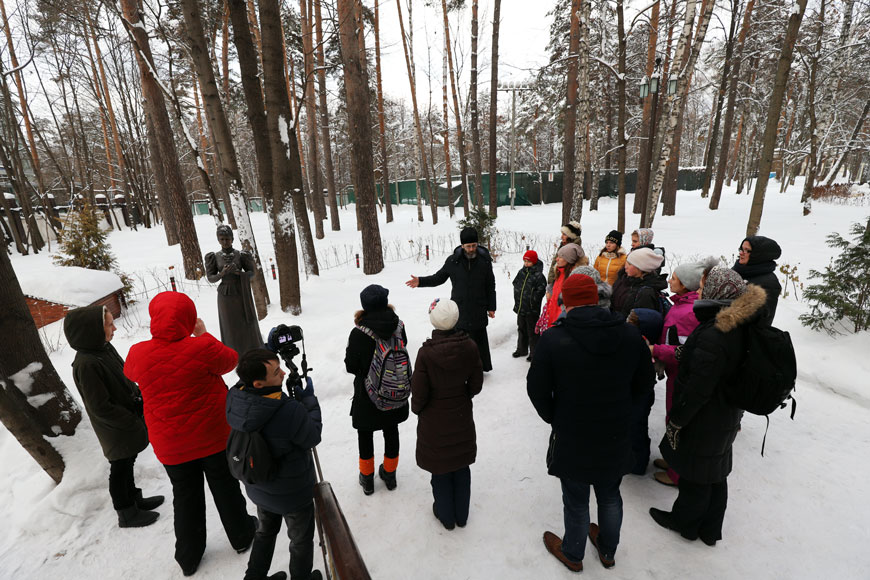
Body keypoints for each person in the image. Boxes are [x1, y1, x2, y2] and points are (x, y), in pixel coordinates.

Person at [527, 275, 655, 571]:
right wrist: (625, 412)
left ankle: (573, 553)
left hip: (573, 433)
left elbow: (536, 389)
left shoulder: (553, 340)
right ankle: (608, 550)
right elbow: (645, 382)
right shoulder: (628, 334)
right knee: (610, 494)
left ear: (566, 302)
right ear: (597, 299)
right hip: (615, 431)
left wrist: (555, 417)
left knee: (576, 498)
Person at [125, 292, 255, 576]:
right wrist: (203, 334)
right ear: (188, 317)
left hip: (171, 446)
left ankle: (188, 555)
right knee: (226, 487)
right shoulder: (202, 348)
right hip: (212, 439)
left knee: (185, 496)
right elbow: (231, 361)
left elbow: (129, 372)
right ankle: (242, 535)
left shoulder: (138, 353)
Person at [649, 267, 767, 546]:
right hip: (726, 411)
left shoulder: (718, 332)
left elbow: (698, 386)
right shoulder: (740, 322)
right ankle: (711, 529)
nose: (699, 292)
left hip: (706, 414)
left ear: (718, 292)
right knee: (715, 472)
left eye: (704, 287)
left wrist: (678, 421)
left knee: (695, 474)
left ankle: (685, 525)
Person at [63, 306, 164, 528]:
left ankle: (134, 500)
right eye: (109, 324)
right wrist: (131, 421)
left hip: (126, 421)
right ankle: (126, 513)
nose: (114, 328)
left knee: (129, 462)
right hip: (116, 428)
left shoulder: (103, 349)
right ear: (92, 331)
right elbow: (100, 407)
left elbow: (123, 376)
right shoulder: (87, 364)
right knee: (120, 468)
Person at [227, 349, 323, 580]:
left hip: (259, 486)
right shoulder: (289, 411)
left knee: (265, 532)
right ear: (259, 383)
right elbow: (312, 436)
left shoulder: (236, 398)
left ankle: (254, 577)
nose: (282, 374)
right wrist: (308, 402)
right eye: (275, 372)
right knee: (300, 540)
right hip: (292, 494)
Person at [412, 298, 484, 530]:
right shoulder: (469, 346)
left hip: (434, 421)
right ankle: (461, 515)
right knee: (461, 466)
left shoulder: (426, 354)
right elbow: (476, 384)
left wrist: (418, 409)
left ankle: (446, 516)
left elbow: (419, 392)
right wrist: (462, 395)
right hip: (461, 416)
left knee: (440, 469)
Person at [650, 258, 716, 487]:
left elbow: (685, 349)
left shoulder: (689, 312)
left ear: (686, 285)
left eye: (674, 279)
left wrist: (656, 350)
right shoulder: (681, 304)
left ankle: (676, 474)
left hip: (683, 376)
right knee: (672, 418)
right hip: (675, 373)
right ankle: (672, 460)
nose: (669, 280)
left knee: (677, 420)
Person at [344, 285, 409, 495]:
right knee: (391, 430)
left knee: (365, 434)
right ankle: (390, 475)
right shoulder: (398, 325)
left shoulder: (358, 332)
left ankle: (367, 479)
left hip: (368, 395)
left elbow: (351, 366)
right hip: (395, 389)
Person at [406, 227, 496, 371]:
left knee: (479, 340)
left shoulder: (484, 261)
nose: (472, 249)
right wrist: (421, 281)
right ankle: (463, 370)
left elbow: (490, 285)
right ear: (462, 246)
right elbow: (439, 277)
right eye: (468, 246)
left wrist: (492, 306)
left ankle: (480, 368)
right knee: (461, 341)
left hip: (479, 306)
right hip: (459, 308)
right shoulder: (453, 261)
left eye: (474, 245)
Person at [204, 225, 263, 356]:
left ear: (232, 238)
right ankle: (232, 351)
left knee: (245, 321)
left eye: (228, 239)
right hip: (225, 295)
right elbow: (211, 278)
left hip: (241, 292)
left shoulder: (241, 255)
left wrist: (238, 272)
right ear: (218, 240)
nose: (225, 242)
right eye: (222, 239)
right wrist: (222, 273)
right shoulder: (214, 257)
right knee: (229, 323)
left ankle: (251, 348)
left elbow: (252, 273)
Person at [732, 236, 782, 326]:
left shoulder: (769, 283)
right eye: (741, 249)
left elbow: (760, 320)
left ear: (758, 256)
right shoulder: (737, 270)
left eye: (747, 250)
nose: (741, 253)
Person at [610, 248, 667, 318]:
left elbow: (641, 321)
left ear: (641, 268)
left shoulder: (646, 292)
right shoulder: (624, 280)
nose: (625, 266)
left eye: (630, 264)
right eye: (626, 262)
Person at [512, 250, 547, 361]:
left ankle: (534, 352)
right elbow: (515, 283)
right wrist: (517, 297)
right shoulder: (521, 272)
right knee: (521, 328)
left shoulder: (539, 276)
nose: (526, 263)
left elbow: (541, 291)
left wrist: (533, 301)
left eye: (528, 261)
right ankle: (521, 349)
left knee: (532, 330)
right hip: (521, 307)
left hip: (531, 309)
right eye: (525, 261)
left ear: (534, 261)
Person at [543, 243, 586, 330]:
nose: (557, 259)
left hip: (563, 322)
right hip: (553, 318)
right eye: (557, 256)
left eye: (561, 257)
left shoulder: (574, 278)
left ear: (569, 260)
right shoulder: (559, 273)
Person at [547, 221, 583, 285]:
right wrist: (551, 281)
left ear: (571, 236)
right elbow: (554, 264)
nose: (561, 237)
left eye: (564, 234)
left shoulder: (574, 252)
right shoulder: (563, 246)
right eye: (562, 234)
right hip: (556, 283)